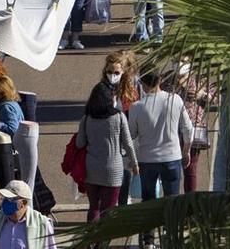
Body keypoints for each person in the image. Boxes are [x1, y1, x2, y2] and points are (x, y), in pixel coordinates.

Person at [128, 72, 193, 249]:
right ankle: (172, 237)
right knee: (172, 200)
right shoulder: (175, 100)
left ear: (143, 84)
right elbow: (188, 129)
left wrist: (131, 159)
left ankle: (148, 240)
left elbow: (131, 134)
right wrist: (186, 151)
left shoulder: (137, 107)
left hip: (147, 159)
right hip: (172, 157)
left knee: (148, 200)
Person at [77, 82, 138, 222]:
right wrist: (135, 163)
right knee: (108, 210)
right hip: (113, 170)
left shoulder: (86, 119)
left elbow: (80, 143)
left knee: (94, 207)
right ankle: (102, 242)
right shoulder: (119, 117)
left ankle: (91, 240)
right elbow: (128, 143)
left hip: (91, 169)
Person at [100, 51, 141, 205]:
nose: (112, 75)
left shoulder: (132, 88)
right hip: (108, 136)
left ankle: (123, 200)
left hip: (128, 135)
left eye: (116, 72)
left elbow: (137, 110)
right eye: (109, 72)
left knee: (125, 170)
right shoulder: (102, 88)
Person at [169, 57, 214, 193]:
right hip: (170, 129)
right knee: (171, 168)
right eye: (176, 60)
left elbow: (214, 97)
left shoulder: (199, 79)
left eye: (183, 60)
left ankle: (190, 200)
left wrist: (203, 95)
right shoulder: (167, 79)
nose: (179, 64)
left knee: (191, 168)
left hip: (193, 128)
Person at [0, 180, 57, 249]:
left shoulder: (42, 225)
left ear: (23, 203)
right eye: (4, 198)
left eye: (10, 199)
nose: (5, 201)